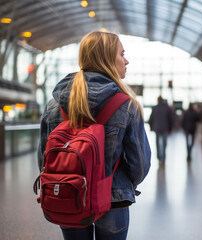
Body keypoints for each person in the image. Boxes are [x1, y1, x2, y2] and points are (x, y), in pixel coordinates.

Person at [37, 31, 151, 240]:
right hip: (113, 198)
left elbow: (44, 159)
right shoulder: (126, 105)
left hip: (69, 195)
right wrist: (124, 185)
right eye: (122, 54)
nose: (126, 61)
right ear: (107, 59)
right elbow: (140, 164)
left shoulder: (54, 104)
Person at [149, 96, 173, 163]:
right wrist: (170, 129)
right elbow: (170, 119)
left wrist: (151, 127)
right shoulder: (167, 108)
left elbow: (151, 119)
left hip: (157, 128)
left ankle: (159, 157)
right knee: (164, 143)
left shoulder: (154, 108)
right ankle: (163, 157)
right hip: (165, 128)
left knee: (157, 143)